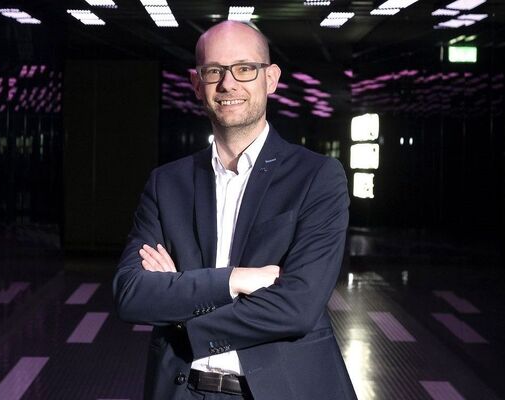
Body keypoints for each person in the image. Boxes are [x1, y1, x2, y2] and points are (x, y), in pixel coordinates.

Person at [113, 21, 357, 400]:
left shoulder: (316, 177)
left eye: (244, 68)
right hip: (182, 391)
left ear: (270, 79)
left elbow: (297, 308)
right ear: (197, 84)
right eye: (214, 71)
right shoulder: (167, 184)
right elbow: (131, 293)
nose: (228, 84)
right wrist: (235, 280)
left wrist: (182, 310)